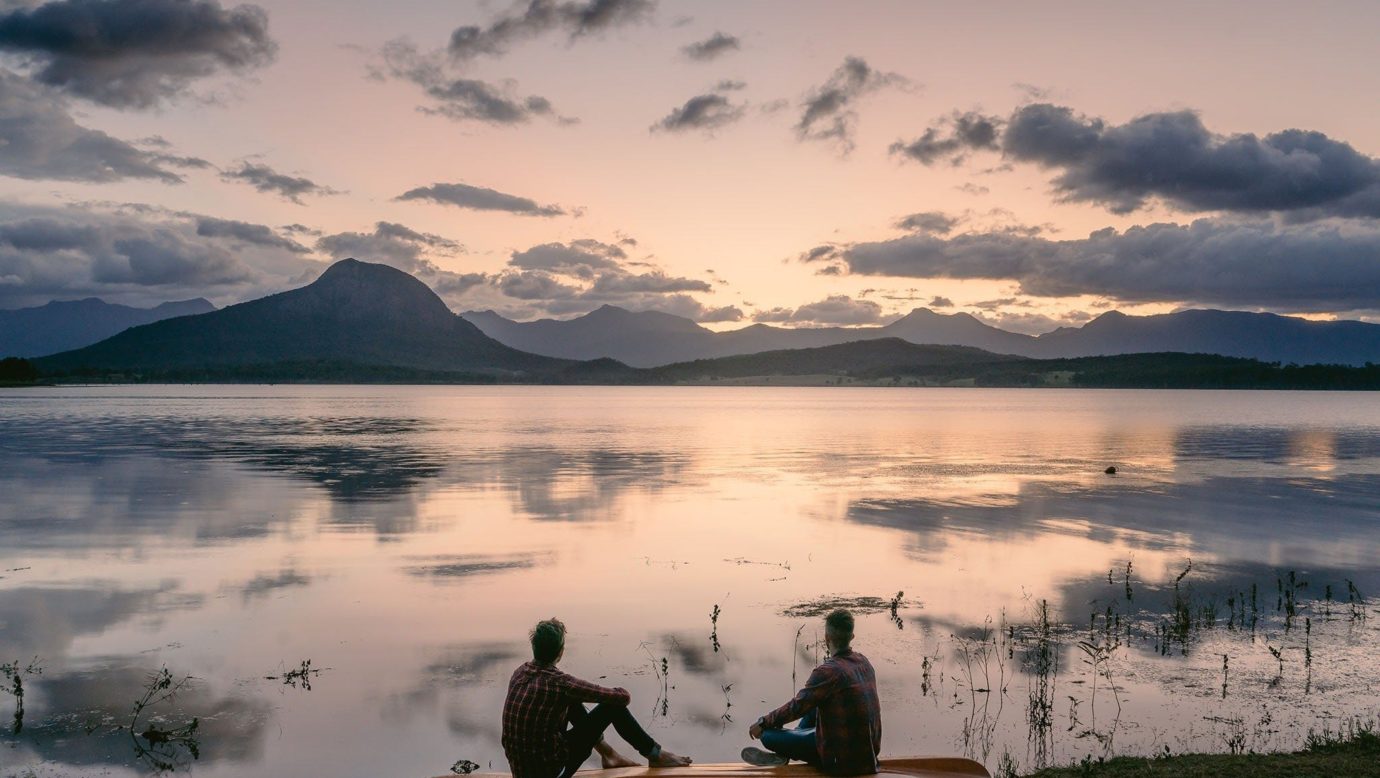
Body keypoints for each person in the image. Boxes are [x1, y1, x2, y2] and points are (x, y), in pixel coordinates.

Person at [502, 618, 692, 778]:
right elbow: (622, 698)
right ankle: (655, 755)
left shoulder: (519, 673)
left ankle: (609, 755)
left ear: (534, 648)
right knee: (612, 707)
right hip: (552, 773)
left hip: (520, 772)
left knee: (571, 701)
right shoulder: (560, 684)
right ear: (560, 652)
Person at [743, 609, 881, 775]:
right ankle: (787, 749)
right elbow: (804, 706)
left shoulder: (828, 672)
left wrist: (763, 722)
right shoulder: (864, 662)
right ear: (852, 637)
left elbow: (796, 707)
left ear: (826, 638)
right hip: (868, 753)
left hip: (840, 758)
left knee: (767, 735)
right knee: (815, 706)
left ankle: (785, 752)